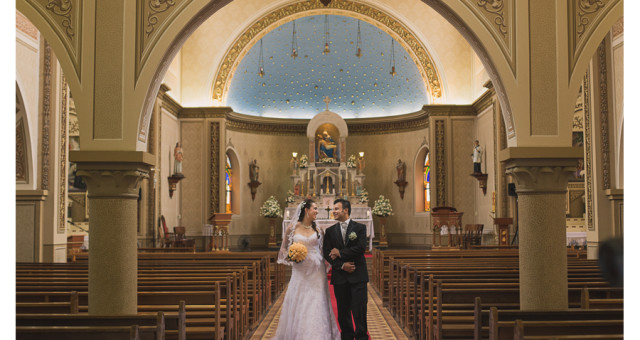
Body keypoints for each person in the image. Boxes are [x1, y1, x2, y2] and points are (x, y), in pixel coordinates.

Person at [274, 199, 340, 340]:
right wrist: (292, 256)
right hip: (300, 271)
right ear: (306, 210)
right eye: (314, 208)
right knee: (300, 300)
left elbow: (324, 250)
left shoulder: (319, 229)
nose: (317, 211)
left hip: (317, 271)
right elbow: (284, 249)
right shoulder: (292, 228)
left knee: (317, 301)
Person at [323, 199, 369, 340]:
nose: (334, 211)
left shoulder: (360, 228)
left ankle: (361, 336)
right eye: (333, 209)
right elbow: (327, 252)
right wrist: (341, 265)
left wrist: (341, 253)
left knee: (359, 309)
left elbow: (361, 248)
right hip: (340, 276)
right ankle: (347, 336)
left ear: (346, 210)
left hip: (358, 275)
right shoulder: (330, 231)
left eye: (336, 208)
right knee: (343, 311)